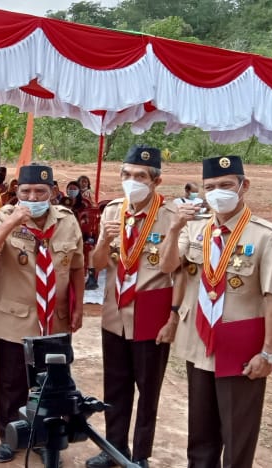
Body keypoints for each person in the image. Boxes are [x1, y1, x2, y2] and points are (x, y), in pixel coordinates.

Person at [160, 155, 272, 468]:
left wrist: (269, 353)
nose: (218, 192)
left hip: (240, 349)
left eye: (226, 185)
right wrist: (176, 228)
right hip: (199, 344)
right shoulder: (196, 230)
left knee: (237, 438)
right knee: (200, 437)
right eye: (211, 187)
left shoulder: (267, 236)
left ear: (243, 186)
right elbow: (167, 267)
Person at [0, 164, 85, 463]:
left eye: (40, 191)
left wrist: (79, 307)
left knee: (51, 386)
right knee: (11, 384)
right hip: (15, 318)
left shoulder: (67, 220)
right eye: (26, 192)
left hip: (55, 320)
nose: (33, 196)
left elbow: (76, 266)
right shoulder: (4, 217)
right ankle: (10, 437)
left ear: (53, 193)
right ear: (17, 192)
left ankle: (45, 439)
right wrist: (11, 223)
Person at [87, 146, 177, 468]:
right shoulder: (112, 211)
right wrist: (101, 243)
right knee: (115, 385)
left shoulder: (170, 217)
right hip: (115, 314)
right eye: (126, 174)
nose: (132, 180)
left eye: (140, 176)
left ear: (156, 181)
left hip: (149, 316)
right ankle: (114, 449)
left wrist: (174, 318)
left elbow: (175, 272)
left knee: (147, 390)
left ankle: (140, 455)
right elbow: (96, 266)